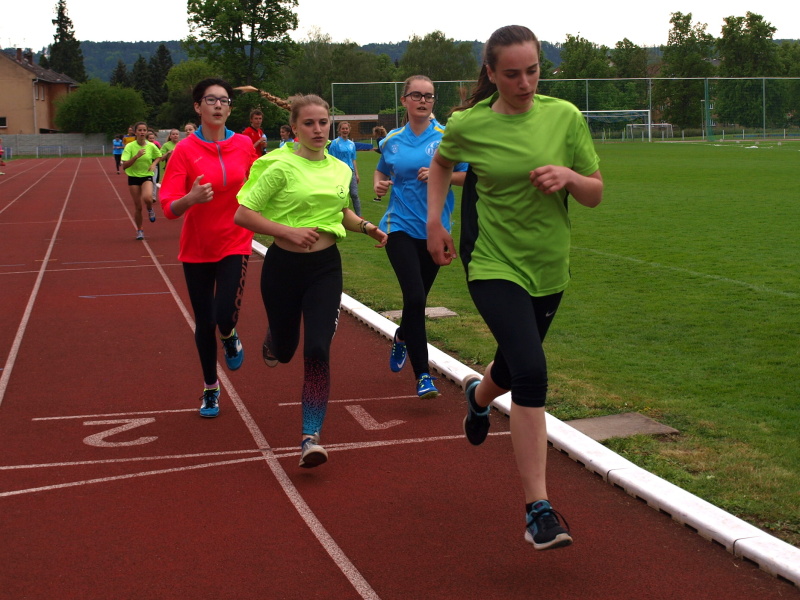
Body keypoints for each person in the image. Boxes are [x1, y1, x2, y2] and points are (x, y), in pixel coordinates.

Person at [426, 25, 603, 551]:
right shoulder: (470, 123)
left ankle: (478, 396)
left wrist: (569, 177)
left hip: (549, 266)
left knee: (512, 365)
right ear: (491, 73)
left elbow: (594, 193)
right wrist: (436, 222)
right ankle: (538, 510)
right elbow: (442, 164)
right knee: (530, 371)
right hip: (492, 262)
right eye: (511, 74)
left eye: (532, 71)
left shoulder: (565, 116)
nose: (524, 83)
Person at [234, 94, 388, 469]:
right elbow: (243, 215)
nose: (318, 130)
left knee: (317, 349)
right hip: (283, 268)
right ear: (295, 127)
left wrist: (367, 226)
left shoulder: (339, 168)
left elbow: (341, 211)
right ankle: (275, 339)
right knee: (286, 349)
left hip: (325, 269)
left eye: (323, 122)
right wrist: (287, 231)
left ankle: (310, 437)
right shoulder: (279, 166)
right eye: (309, 123)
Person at [159, 78, 259, 418]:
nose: (218, 105)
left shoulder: (244, 144)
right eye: (211, 99)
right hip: (198, 247)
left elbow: (259, 184)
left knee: (223, 315)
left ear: (230, 108)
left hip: (236, 239)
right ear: (197, 107)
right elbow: (169, 207)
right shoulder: (184, 151)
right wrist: (191, 198)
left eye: (224, 100)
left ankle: (229, 334)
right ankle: (210, 389)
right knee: (204, 322)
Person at [373, 75, 467, 399]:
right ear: (405, 100)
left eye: (429, 96)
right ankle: (423, 375)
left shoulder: (446, 137)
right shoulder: (392, 140)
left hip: (434, 231)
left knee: (417, 301)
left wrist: (442, 174)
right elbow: (382, 169)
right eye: (416, 95)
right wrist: (378, 183)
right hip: (398, 226)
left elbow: (468, 175)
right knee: (415, 298)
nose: (423, 101)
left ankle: (402, 335)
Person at [121, 121, 162, 240]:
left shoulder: (151, 146)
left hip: (146, 175)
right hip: (133, 177)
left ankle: (150, 208)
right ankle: (140, 230)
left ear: (147, 132)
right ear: (135, 132)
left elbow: (159, 156)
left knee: (148, 198)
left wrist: (154, 164)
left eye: (144, 130)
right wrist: (136, 156)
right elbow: (124, 166)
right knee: (138, 207)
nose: (142, 132)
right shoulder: (130, 146)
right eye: (140, 130)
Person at [327, 121, 361, 216]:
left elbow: (353, 159)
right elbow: (331, 159)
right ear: (339, 130)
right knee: (342, 195)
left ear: (349, 130)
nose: (345, 130)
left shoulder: (352, 144)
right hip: (340, 173)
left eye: (346, 128)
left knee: (354, 194)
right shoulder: (335, 143)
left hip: (351, 172)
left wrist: (356, 174)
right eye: (343, 128)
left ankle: (359, 216)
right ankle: (340, 215)